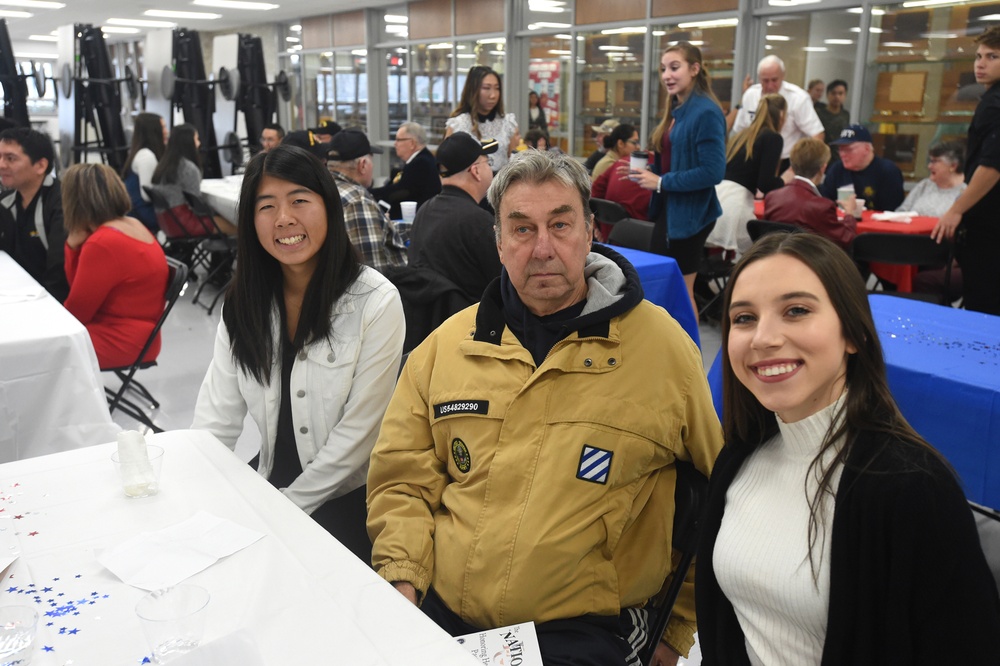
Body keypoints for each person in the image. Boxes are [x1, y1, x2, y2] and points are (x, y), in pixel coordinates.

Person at [367, 150, 723, 666]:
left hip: (588, 632)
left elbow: (715, 495)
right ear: (498, 242)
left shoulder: (663, 353)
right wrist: (402, 579)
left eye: (560, 225)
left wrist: (677, 629)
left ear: (590, 231)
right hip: (439, 609)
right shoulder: (445, 348)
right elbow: (402, 479)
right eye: (522, 229)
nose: (543, 249)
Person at [696, 232, 1000, 665]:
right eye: (744, 318)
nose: (762, 338)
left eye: (796, 311)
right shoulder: (740, 457)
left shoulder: (914, 490)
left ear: (853, 333)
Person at [193, 144, 405, 563]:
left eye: (299, 201)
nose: (284, 218)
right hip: (269, 482)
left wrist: (280, 510)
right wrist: (198, 499)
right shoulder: (244, 303)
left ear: (327, 206)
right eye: (266, 206)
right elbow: (215, 420)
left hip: (347, 501)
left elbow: (358, 437)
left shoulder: (375, 302)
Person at [630, 42, 726, 325]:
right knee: (668, 290)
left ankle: (689, 359)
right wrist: (650, 173)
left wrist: (661, 181)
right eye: (663, 69)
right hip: (670, 211)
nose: (667, 75)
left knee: (680, 292)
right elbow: (677, 160)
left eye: (675, 67)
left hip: (691, 217)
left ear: (694, 69)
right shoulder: (677, 108)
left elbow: (713, 171)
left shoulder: (705, 112)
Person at [61, 163, 168, 369]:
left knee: (39, 347)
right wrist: (74, 247)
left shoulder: (102, 242)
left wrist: (71, 247)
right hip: (140, 337)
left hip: (121, 340)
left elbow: (76, 314)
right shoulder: (132, 224)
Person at [932, 25, 1000, 315]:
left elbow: (992, 166)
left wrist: (956, 209)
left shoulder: (995, 104)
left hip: (989, 224)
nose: (981, 64)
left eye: (992, 56)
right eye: (978, 56)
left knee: (983, 307)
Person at [407, 133, 501, 303]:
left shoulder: (424, 211)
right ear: (476, 171)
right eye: (488, 163)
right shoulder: (478, 222)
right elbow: (503, 284)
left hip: (429, 324)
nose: (491, 169)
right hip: (471, 323)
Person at [710, 94, 786, 254]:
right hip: (735, 206)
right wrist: (785, 182)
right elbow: (764, 183)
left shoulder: (742, 135)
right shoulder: (773, 138)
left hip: (715, 200)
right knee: (764, 254)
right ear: (782, 115)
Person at [0, 127, 68, 301]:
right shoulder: (6, 201)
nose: (1, 165)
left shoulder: (62, 203)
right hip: (15, 292)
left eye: (10, 158)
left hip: (51, 301)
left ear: (40, 165)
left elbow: (59, 270)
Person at [327, 129, 407, 272]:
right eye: (372, 160)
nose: (373, 166)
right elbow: (373, 271)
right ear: (362, 165)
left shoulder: (321, 189)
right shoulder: (357, 201)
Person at [763, 137, 857, 250]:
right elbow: (845, 239)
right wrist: (850, 214)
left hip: (777, 256)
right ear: (823, 168)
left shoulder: (772, 197)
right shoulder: (822, 206)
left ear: (792, 166)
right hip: (811, 262)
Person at [732, 56, 825, 166]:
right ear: (759, 78)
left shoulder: (798, 98)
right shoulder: (750, 95)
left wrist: (802, 166)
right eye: (765, 81)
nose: (770, 86)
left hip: (786, 162)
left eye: (774, 80)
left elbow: (817, 135)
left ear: (783, 76)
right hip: (753, 159)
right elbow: (740, 131)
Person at [151, 123, 237, 236]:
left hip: (167, 221)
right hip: (183, 222)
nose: (199, 143)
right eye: (196, 139)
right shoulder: (187, 168)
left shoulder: (165, 165)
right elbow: (198, 205)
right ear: (188, 142)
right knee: (239, 227)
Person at [444, 66, 519, 172]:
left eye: (497, 88)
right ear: (473, 90)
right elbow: (446, 165)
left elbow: (514, 161)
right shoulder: (457, 125)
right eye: (486, 88)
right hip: (468, 184)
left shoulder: (508, 123)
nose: (493, 95)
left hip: (500, 184)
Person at [819, 124, 904, 212]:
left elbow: (892, 212)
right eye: (840, 149)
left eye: (848, 149)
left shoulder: (888, 172)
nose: (842, 154)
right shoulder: (836, 170)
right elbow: (825, 204)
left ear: (866, 149)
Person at [370, 121, 441, 220]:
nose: (395, 144)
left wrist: (370, 193)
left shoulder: (421, 163)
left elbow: (401, 191)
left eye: (398, 140)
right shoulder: (420, 159)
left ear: (412, 143)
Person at [121, 112, 167, 234]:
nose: (166, 131)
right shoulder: (146, 156)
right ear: (153, 131)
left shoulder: (141, 153)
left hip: (139, 212)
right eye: (163, 127)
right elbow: (147, 195)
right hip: (144, 214)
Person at [899, 140, 966, 216]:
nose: (929, 166)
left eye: (935, 161)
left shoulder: (965, 192)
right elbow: (901, 212)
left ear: (953, 166)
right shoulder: (925, 185)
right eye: (930, 161)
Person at [815, 80, 850, 159]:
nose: (837, 97)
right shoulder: (818, 113)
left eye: (840, 93)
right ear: (828, 95)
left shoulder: (845, 114)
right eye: (833, 93)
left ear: (845, 95)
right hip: (822, 155)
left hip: (840, 155)